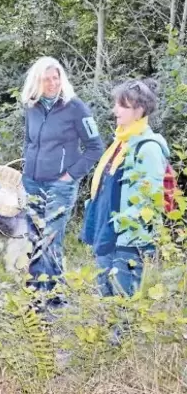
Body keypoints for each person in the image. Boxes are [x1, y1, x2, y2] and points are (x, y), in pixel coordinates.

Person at [20, 56, 103, 309]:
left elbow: (95, 147)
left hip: (60, 185)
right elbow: (29, 141)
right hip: (32, 183)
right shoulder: (31, 107)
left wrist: (70, 175)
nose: (52, 83)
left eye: (56, 77)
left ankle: (54, 296)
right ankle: (37, 291)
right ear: (37, 81)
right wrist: (25, 171)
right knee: (34, 236)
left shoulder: (75, 107)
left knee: (51, 238)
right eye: (46, 79)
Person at [81, 79, 169, 297]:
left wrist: (119, 224)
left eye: (122, 106)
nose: (115, 110)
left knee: (123, 300)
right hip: (106, 232)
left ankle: (122, 331)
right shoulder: (120, 142)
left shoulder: (147, 148)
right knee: (106, 295)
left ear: (139, 111)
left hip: (126, 239)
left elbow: (150, 199)